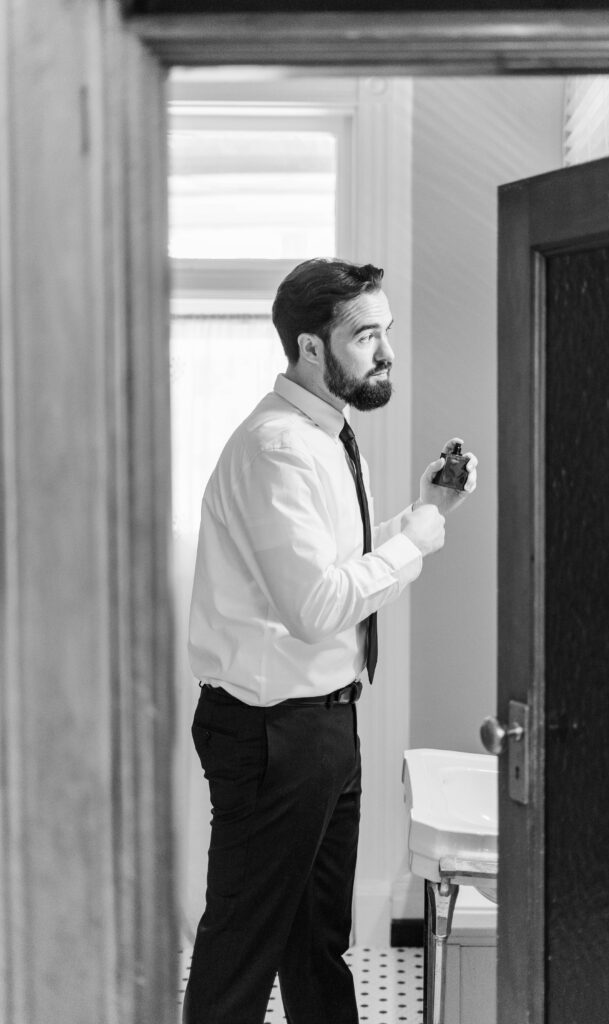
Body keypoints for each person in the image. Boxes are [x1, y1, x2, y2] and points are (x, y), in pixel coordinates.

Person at [183, 257, 477, 1024]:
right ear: (311, 348)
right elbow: (316, 607)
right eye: (366, 336)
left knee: (316, 943)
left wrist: (425, 512)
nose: (386, 352)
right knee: (241, 953)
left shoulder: (325, 436)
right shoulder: (276, 448)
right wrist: (414, 540)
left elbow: (338, 568)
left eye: (386, 332)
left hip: (320, 724)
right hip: (273, 734)